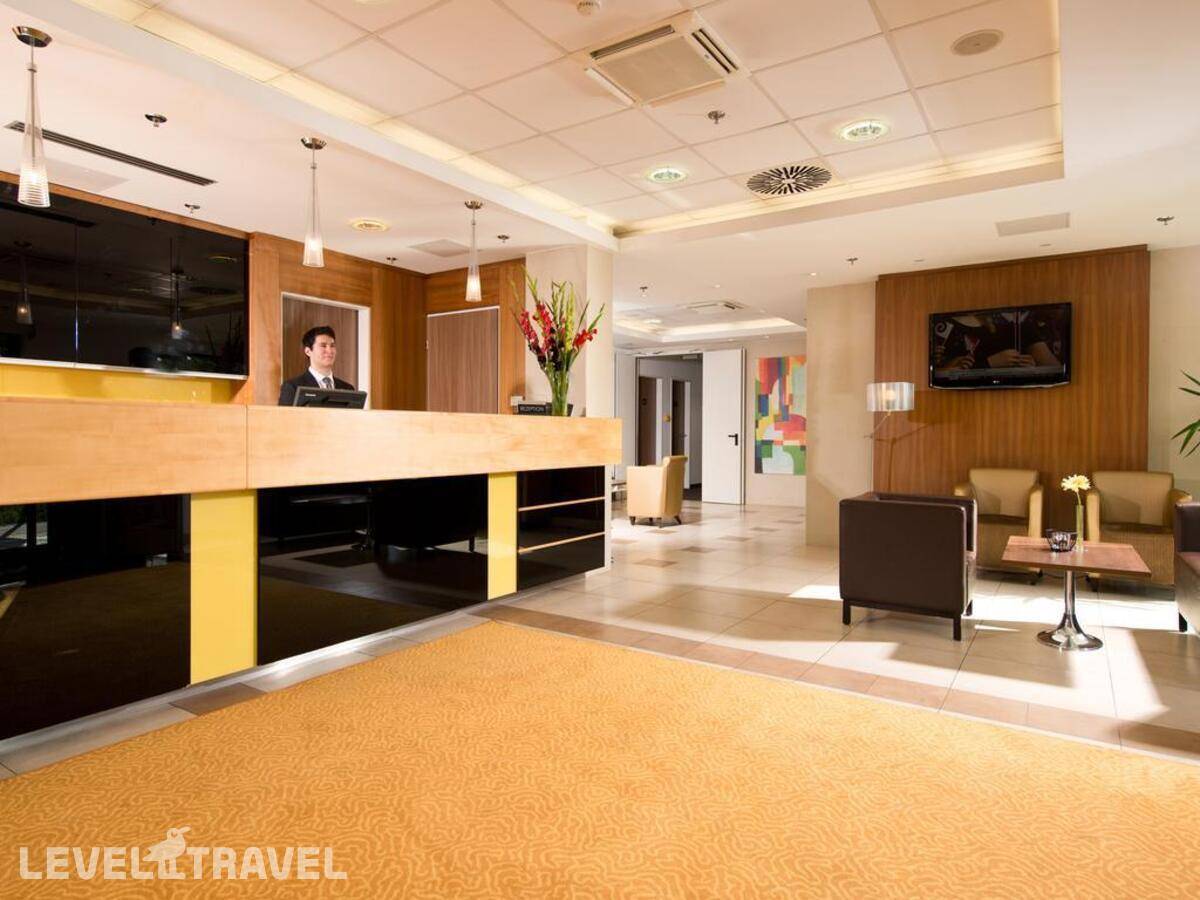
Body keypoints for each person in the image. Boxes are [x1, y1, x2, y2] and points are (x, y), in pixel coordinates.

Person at [278, 325, 355, 405]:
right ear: (308, 351)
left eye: (332, 346)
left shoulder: (348, 389)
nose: (330, 350)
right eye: (323, 346)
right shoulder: (292, 387)